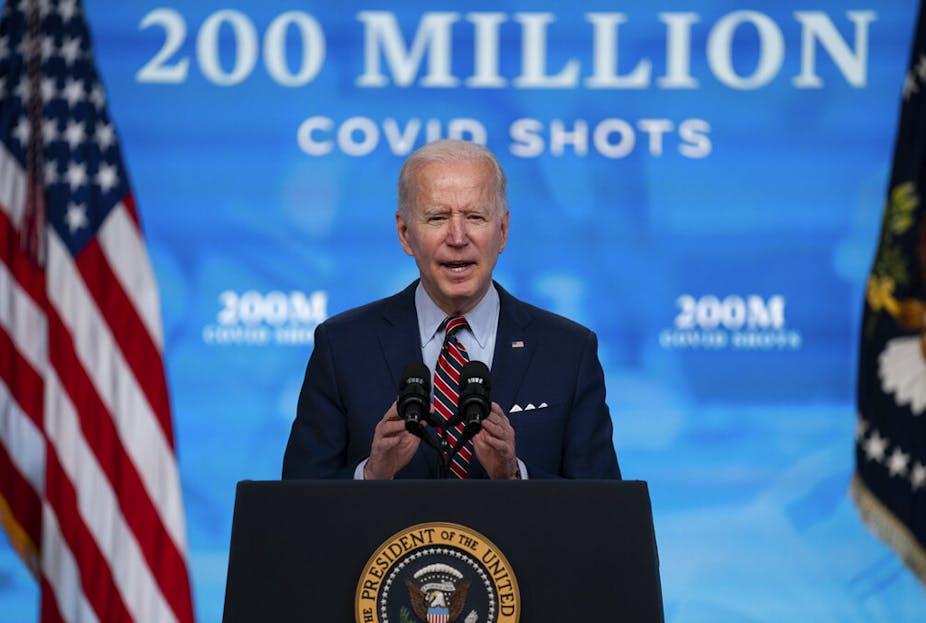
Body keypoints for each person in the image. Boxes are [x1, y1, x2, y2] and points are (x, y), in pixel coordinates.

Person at [282, 139, 620, 480]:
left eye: (475, 216)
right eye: (437, 217)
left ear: (502, 231)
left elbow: (605, 514)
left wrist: (515, 477)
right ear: (404, 233)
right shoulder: (343, 346)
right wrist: (371, 476)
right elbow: (294, 506)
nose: (458, 237)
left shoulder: (568, 350)